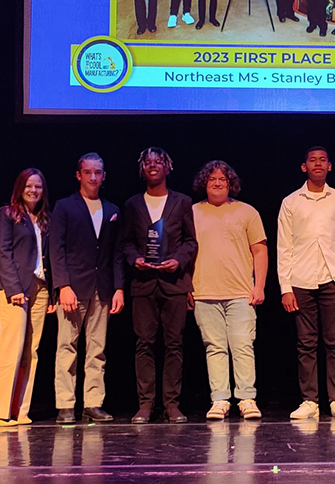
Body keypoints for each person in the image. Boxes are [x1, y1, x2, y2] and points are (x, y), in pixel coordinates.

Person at [277, 146, 335, 420]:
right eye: (312, 160)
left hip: (332, 278)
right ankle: (309, 401)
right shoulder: (291, 201)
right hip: (301, 279)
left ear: (330, 166)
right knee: (305, 343)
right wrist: (285, 287)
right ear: (304, 167)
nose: (318, 164)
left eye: (323, 160)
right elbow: (283, 246)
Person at [120, 147, 198, 424]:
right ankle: (145, 404)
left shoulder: (183, 201)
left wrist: (178, 261)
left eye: (158, 162)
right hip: (143, 284)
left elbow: (191, 241)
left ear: (168, 167)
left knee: (174, 345)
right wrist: (135, 259)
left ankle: (172, 405)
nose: (153, 166)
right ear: (142, 169)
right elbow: (126, 243)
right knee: (144, 344)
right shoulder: (132, 204)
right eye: (148, 163)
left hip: (174, 284)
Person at [49, 153, 124, 424]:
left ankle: (93, 402)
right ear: (78, 175)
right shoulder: (64, 207)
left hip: (102, 288)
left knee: (97, 348)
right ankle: (65, 404)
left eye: (98, 172)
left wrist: (119, 288)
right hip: (73, 287)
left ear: (104, 176)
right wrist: (62, 286)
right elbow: (55, 249)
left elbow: (116, 253)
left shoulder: (112, 209)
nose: (93, 177)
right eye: (88, 172)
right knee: (67, 345)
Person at [191, 161, 267, 420]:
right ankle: (220, 400)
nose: (217, 182)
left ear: (230, 182)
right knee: (214, 347)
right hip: (204, 292)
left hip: (240, 292)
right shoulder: (192, 212)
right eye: (212, 178)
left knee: (243, 344)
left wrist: (259, 286)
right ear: (205, 183)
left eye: (222, 178)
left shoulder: (247, 212)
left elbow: (260, 250)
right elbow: (186, 252)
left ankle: (247, 398)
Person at [0, 168, 54, 427]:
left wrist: (52, 293)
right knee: (10, 351)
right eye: (29, 185)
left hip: (40, 289)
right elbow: (3, 253)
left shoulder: (43, 219)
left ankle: (20, 410)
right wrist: (13, 289)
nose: (33, 190)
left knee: (31, 353)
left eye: (38, 186)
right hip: (13, 290)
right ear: (20, 187)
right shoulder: (7, 214)